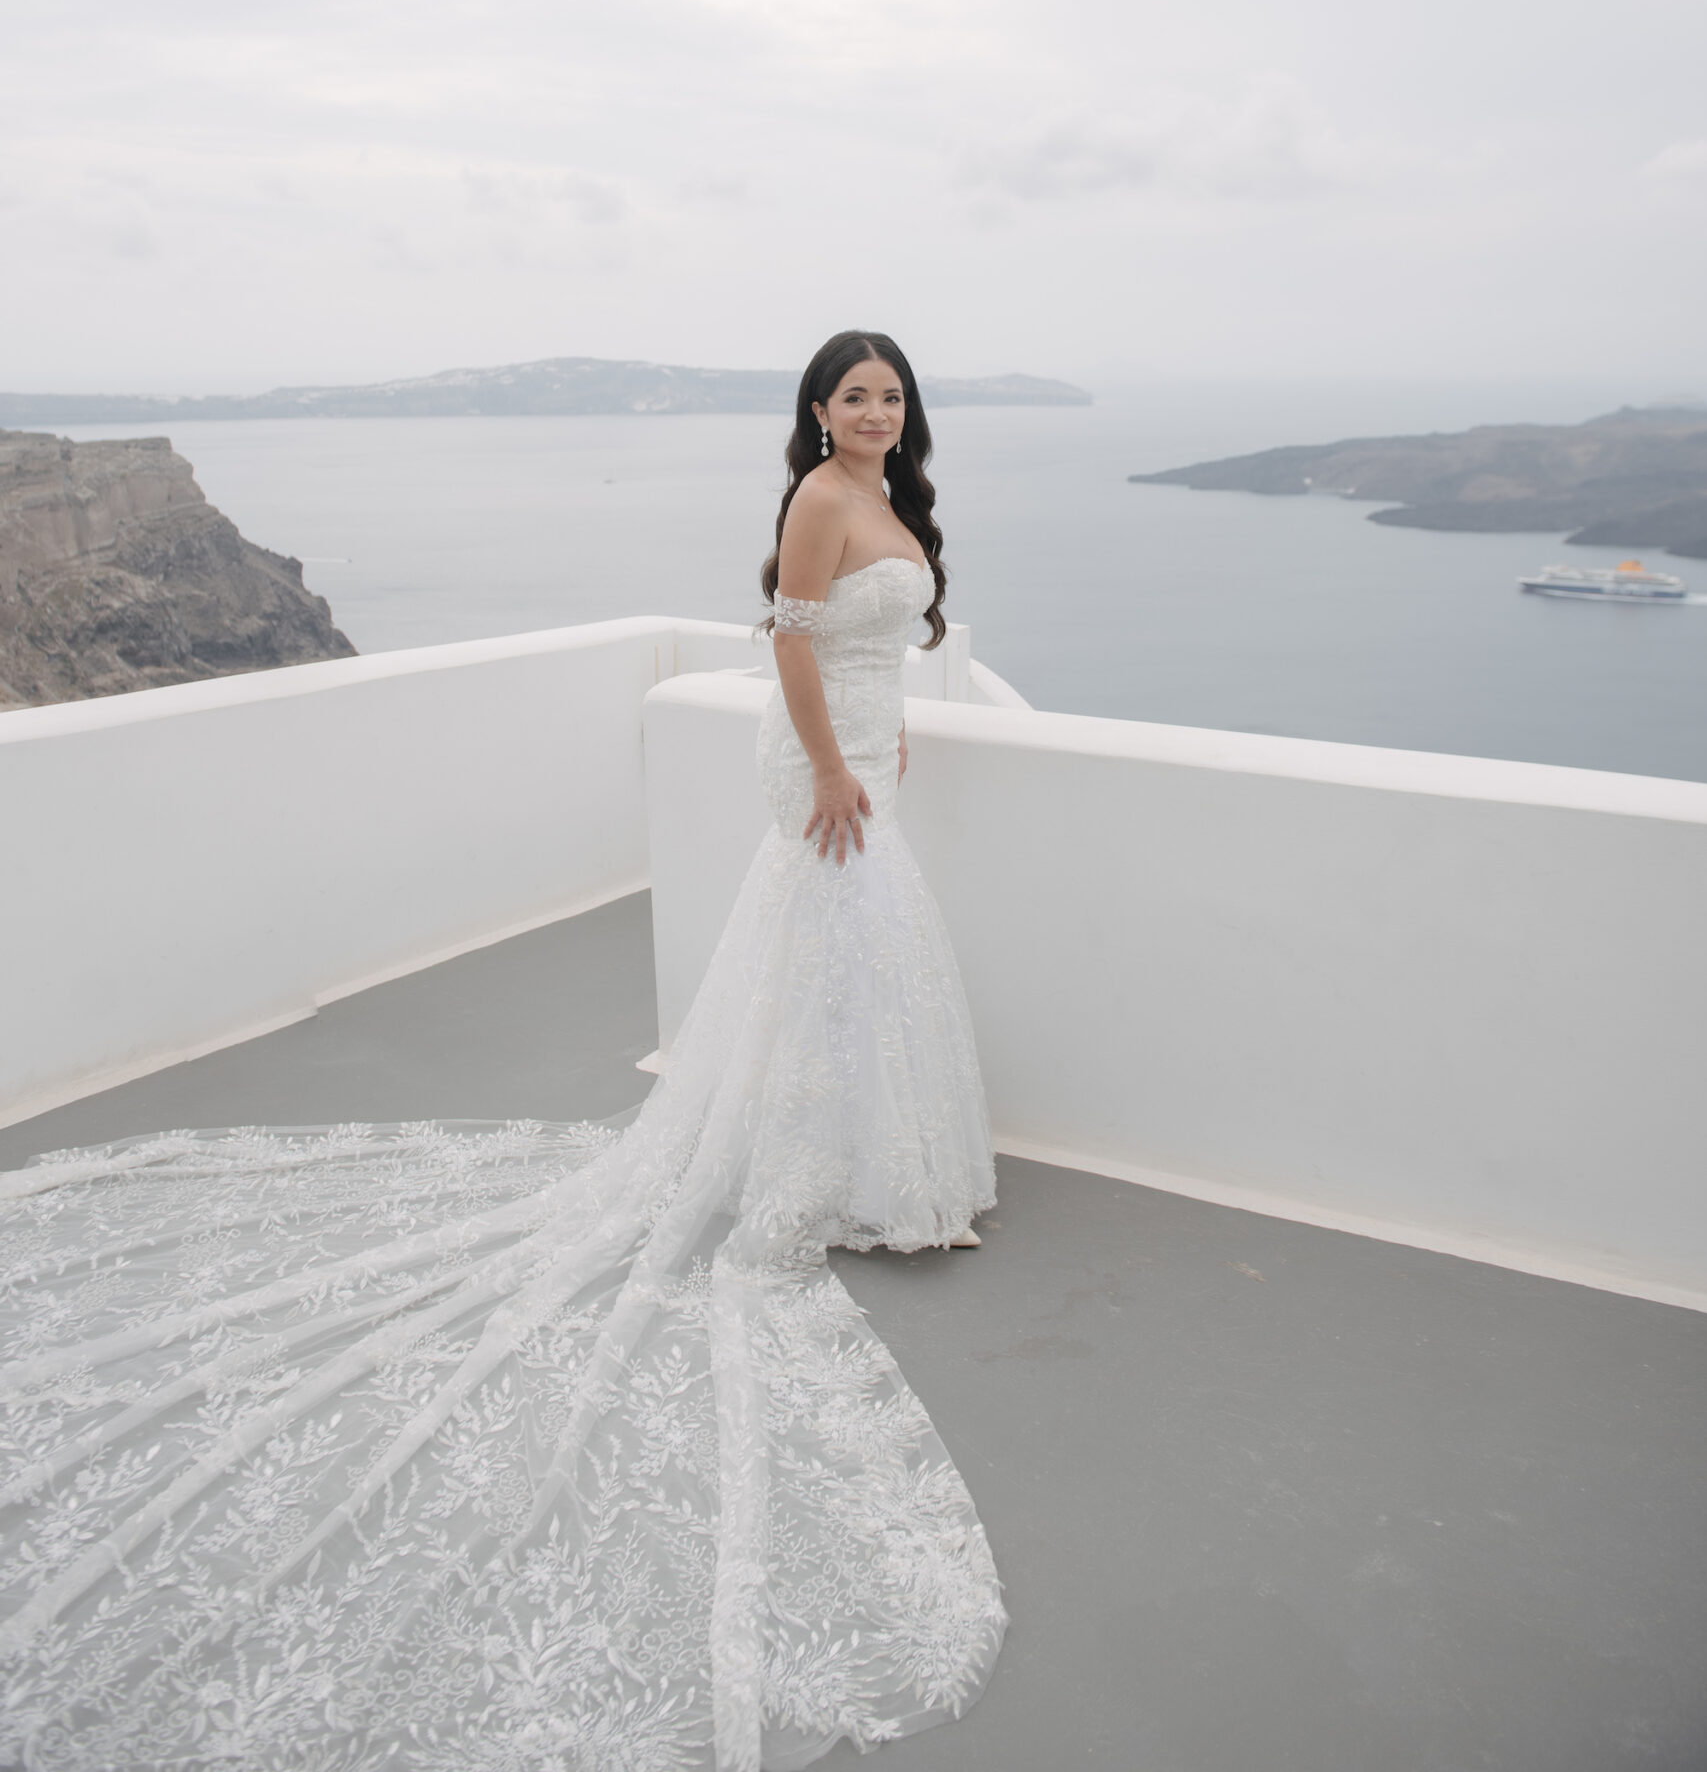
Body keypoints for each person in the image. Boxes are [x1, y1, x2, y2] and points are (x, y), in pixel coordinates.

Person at [0, 331, 1004, 1772]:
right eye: (851, 395)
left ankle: (854, 1158)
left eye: (889, 394)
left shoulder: (892, 497)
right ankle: (807, 1171)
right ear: (813, 409)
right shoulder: (816, 502)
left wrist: (882, 736)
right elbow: (786, 646)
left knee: (846, 961)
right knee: (826, 940)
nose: (871, 412)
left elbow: (871, 645)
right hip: (821, 764)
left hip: (867, 750)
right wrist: (838, 764)